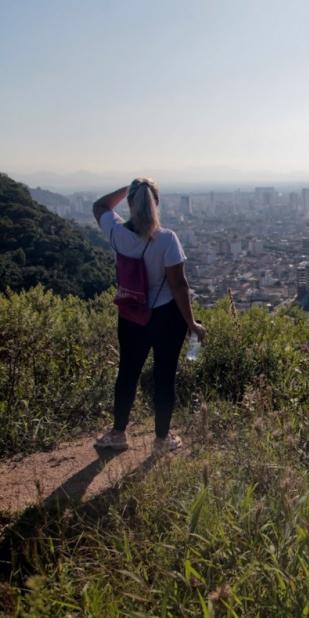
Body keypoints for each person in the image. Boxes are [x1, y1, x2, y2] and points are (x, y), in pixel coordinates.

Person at [92, 178, 206, 452]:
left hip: (132, 314)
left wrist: (130, 188)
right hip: (167, 317)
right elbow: (179, 285)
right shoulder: (167, 239)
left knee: (128, 373)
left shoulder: (118, 233)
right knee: (165, 376)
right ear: (156, 203)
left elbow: (99, 206)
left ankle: (118, 434)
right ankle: (161, 439)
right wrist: (191, 323)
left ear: (131, 203)